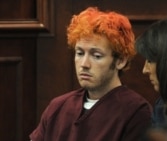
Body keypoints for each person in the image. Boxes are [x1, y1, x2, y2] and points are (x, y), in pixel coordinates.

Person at [30, 7, 152, 141]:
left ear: (120, 61)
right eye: (80, 53)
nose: (84, 64)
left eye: (96, 56)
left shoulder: (136, 111)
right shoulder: (58, 107)